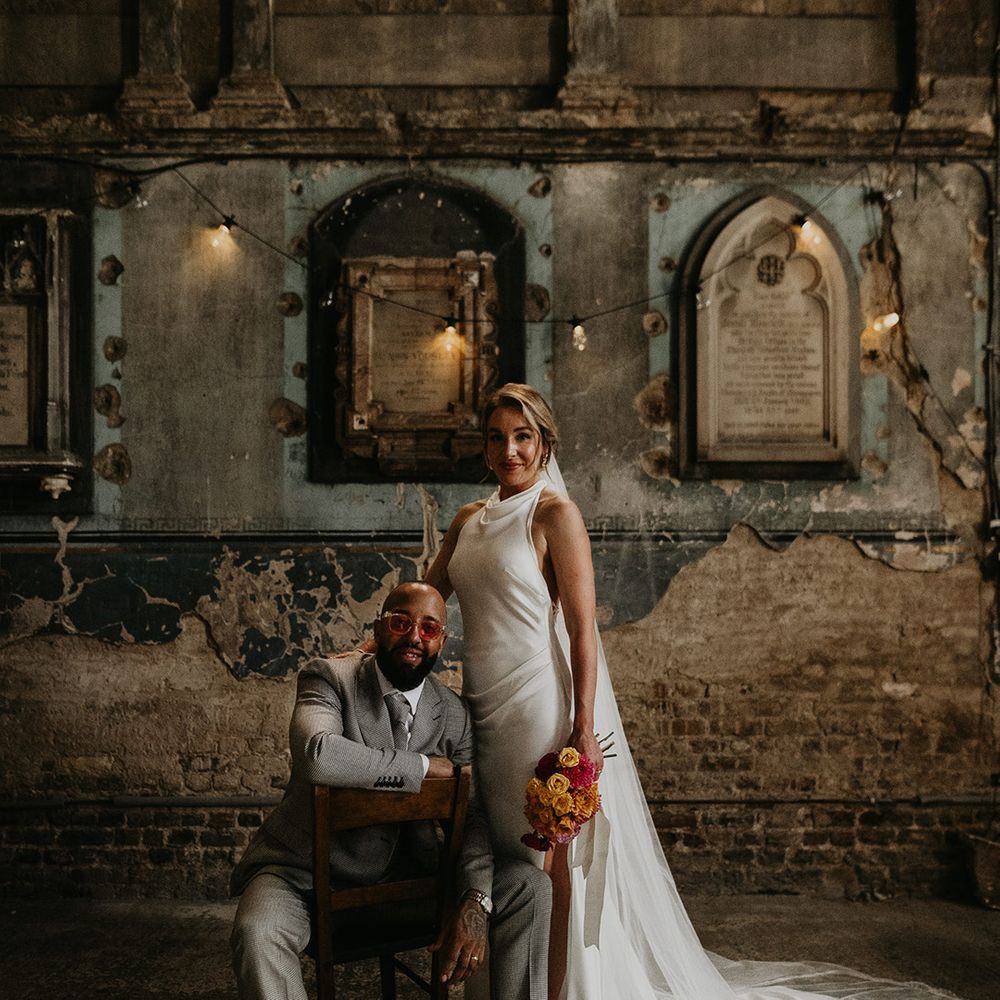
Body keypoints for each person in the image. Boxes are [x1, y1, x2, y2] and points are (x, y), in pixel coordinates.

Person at [424, 383, 963, 1000]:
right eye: (496, 437)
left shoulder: (554, 515)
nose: (508, 449)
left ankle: (556, 991)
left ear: (544, 444)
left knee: (552, 857)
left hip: (538, 704)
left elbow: (582, 628)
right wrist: (365, 650)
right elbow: (429, 601)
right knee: (497, 843)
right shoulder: (469, 519)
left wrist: (581, 726)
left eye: (522, 437)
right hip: (482, 707)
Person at [229, 581, 551, 1000]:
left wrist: (476, 898)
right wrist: (420, 766)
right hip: (304, 874)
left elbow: (472, 816)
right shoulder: (329, 677)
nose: (415, 636)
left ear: (442, 642)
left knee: (529, 887)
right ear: (380, 628)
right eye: (401, 622)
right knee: (257, 932)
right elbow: (317, 753)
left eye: (429, 628)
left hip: (407, 877)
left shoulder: (454, 713)